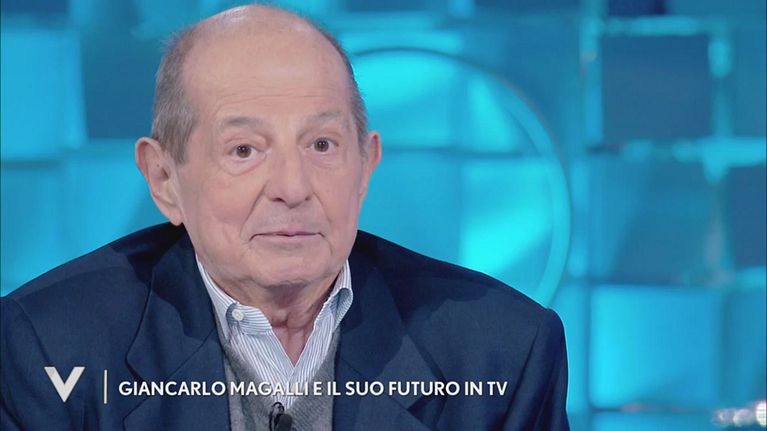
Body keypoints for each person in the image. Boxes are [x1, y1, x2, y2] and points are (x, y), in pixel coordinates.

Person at [0, 5, 569, 430]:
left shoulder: (502, 353)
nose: (292, 189)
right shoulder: (50, 349)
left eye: (322, 145)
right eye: (244, 150)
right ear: (165, 180)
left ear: (366, 164)